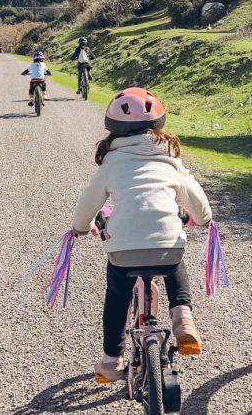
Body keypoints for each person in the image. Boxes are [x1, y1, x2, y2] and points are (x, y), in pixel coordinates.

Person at [72, 87, 212, 383]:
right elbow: (194, 195)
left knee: (116, 295)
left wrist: (80, 227)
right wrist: (203, 219)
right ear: (159, 124)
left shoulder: (112, 161)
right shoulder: (169, 157)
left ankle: (111, 361)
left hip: (124, 252)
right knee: (174, 264)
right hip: (167, 245)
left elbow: (89, 201)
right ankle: (183, 316)